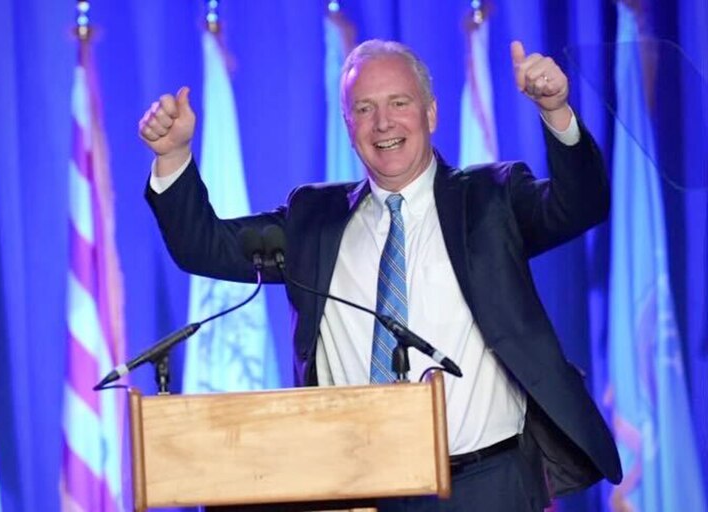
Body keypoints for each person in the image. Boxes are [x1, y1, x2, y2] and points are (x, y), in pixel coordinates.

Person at [139, 39, 622, 511]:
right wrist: (173, 156)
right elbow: (206, 248)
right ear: (349, 127)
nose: (383, 122)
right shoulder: (315, 219)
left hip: (484, 483)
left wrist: (556, 113)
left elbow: (579, 205)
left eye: (399, 102)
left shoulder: (489, 199)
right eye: (364, 109)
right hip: (353, 487)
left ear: (430, 114)